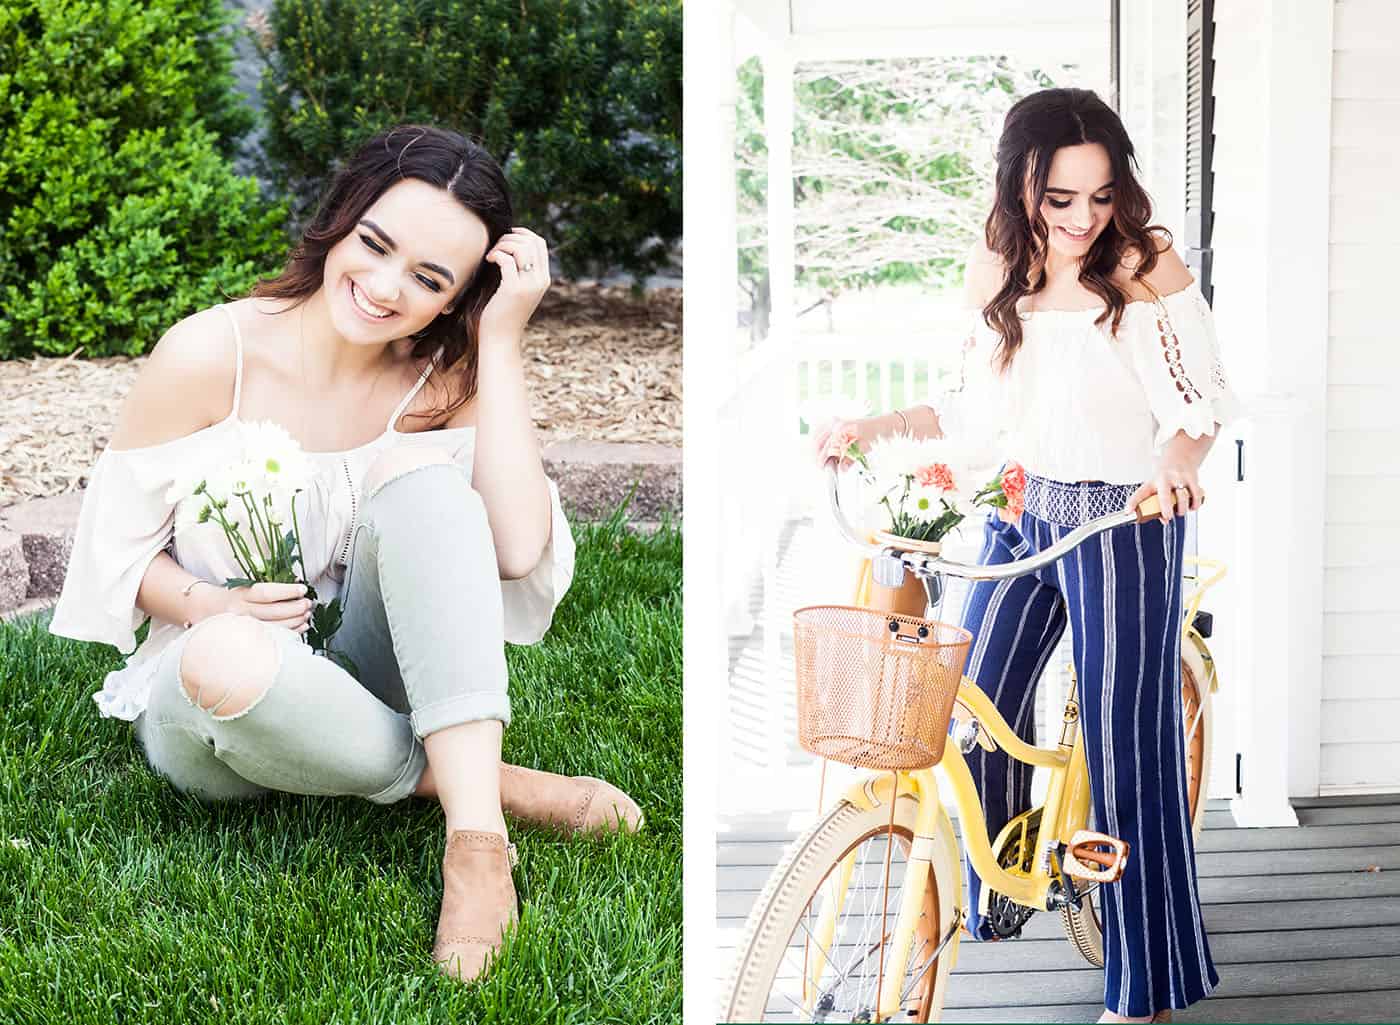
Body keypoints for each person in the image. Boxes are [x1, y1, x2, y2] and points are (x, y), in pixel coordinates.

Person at [48, 124, 643, 987]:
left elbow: (515, 546)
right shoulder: (211, 353)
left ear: (455, 299)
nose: (386, 286)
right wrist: (212, 605)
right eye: (375, 243)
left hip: (368, 675)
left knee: (430, 486)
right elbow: (115, 558)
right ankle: (481, 780)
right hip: (218, 699)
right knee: (224, 657)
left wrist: (501, 341)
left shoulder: (440, 378)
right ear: (342, 216)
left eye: (430, 279)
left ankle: (478, 847)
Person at [815, 88, 1241, 1023]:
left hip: (1124, 521)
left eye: (1101, 194)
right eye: (1061, 198)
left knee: (1129, 748)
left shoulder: (1144, 265)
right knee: (971, 705)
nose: (1084, 218)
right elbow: (969, 410)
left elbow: (1201, 400)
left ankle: (1145, 986)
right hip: (1023, 510)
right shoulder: (998, 265)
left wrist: (1178, 462)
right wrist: (871, 427)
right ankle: (1009, 889)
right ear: (1020, 187)